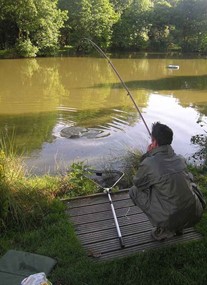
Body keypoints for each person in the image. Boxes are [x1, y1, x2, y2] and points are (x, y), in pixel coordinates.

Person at [129, 122, 205, 241]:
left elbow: (138, 183)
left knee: (134, 191)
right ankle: (179, 227)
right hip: (194, 213)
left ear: (154, 142)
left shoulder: (150, 162)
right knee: (187, 184)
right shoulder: (180, 159)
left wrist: (148, 155)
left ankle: (163, 230)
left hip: (170, 217)